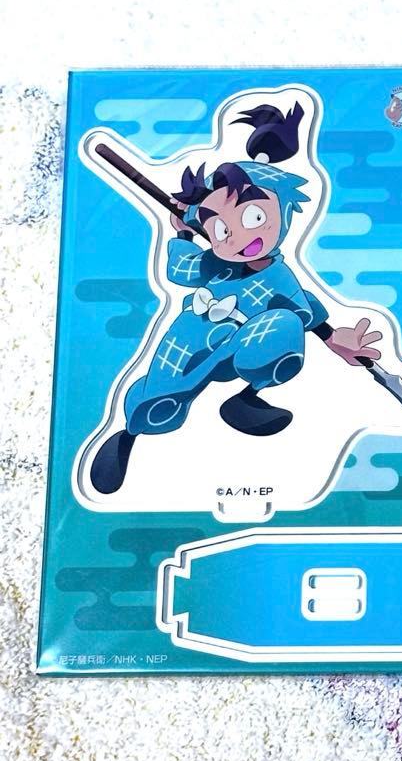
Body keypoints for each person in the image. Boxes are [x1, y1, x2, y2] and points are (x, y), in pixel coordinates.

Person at [90, 103, 384, 495]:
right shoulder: (213, 263)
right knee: (159, 399)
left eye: (253, 218)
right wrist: (182, 232)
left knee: (284, 327)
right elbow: (179, 269)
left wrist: (333, 338)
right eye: (220, 228)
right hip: (192, 338)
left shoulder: (278, 277)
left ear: (282, 212)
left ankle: (247, 399)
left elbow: (303, 308)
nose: (237, 238)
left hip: (245, 348)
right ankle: (128, 437)